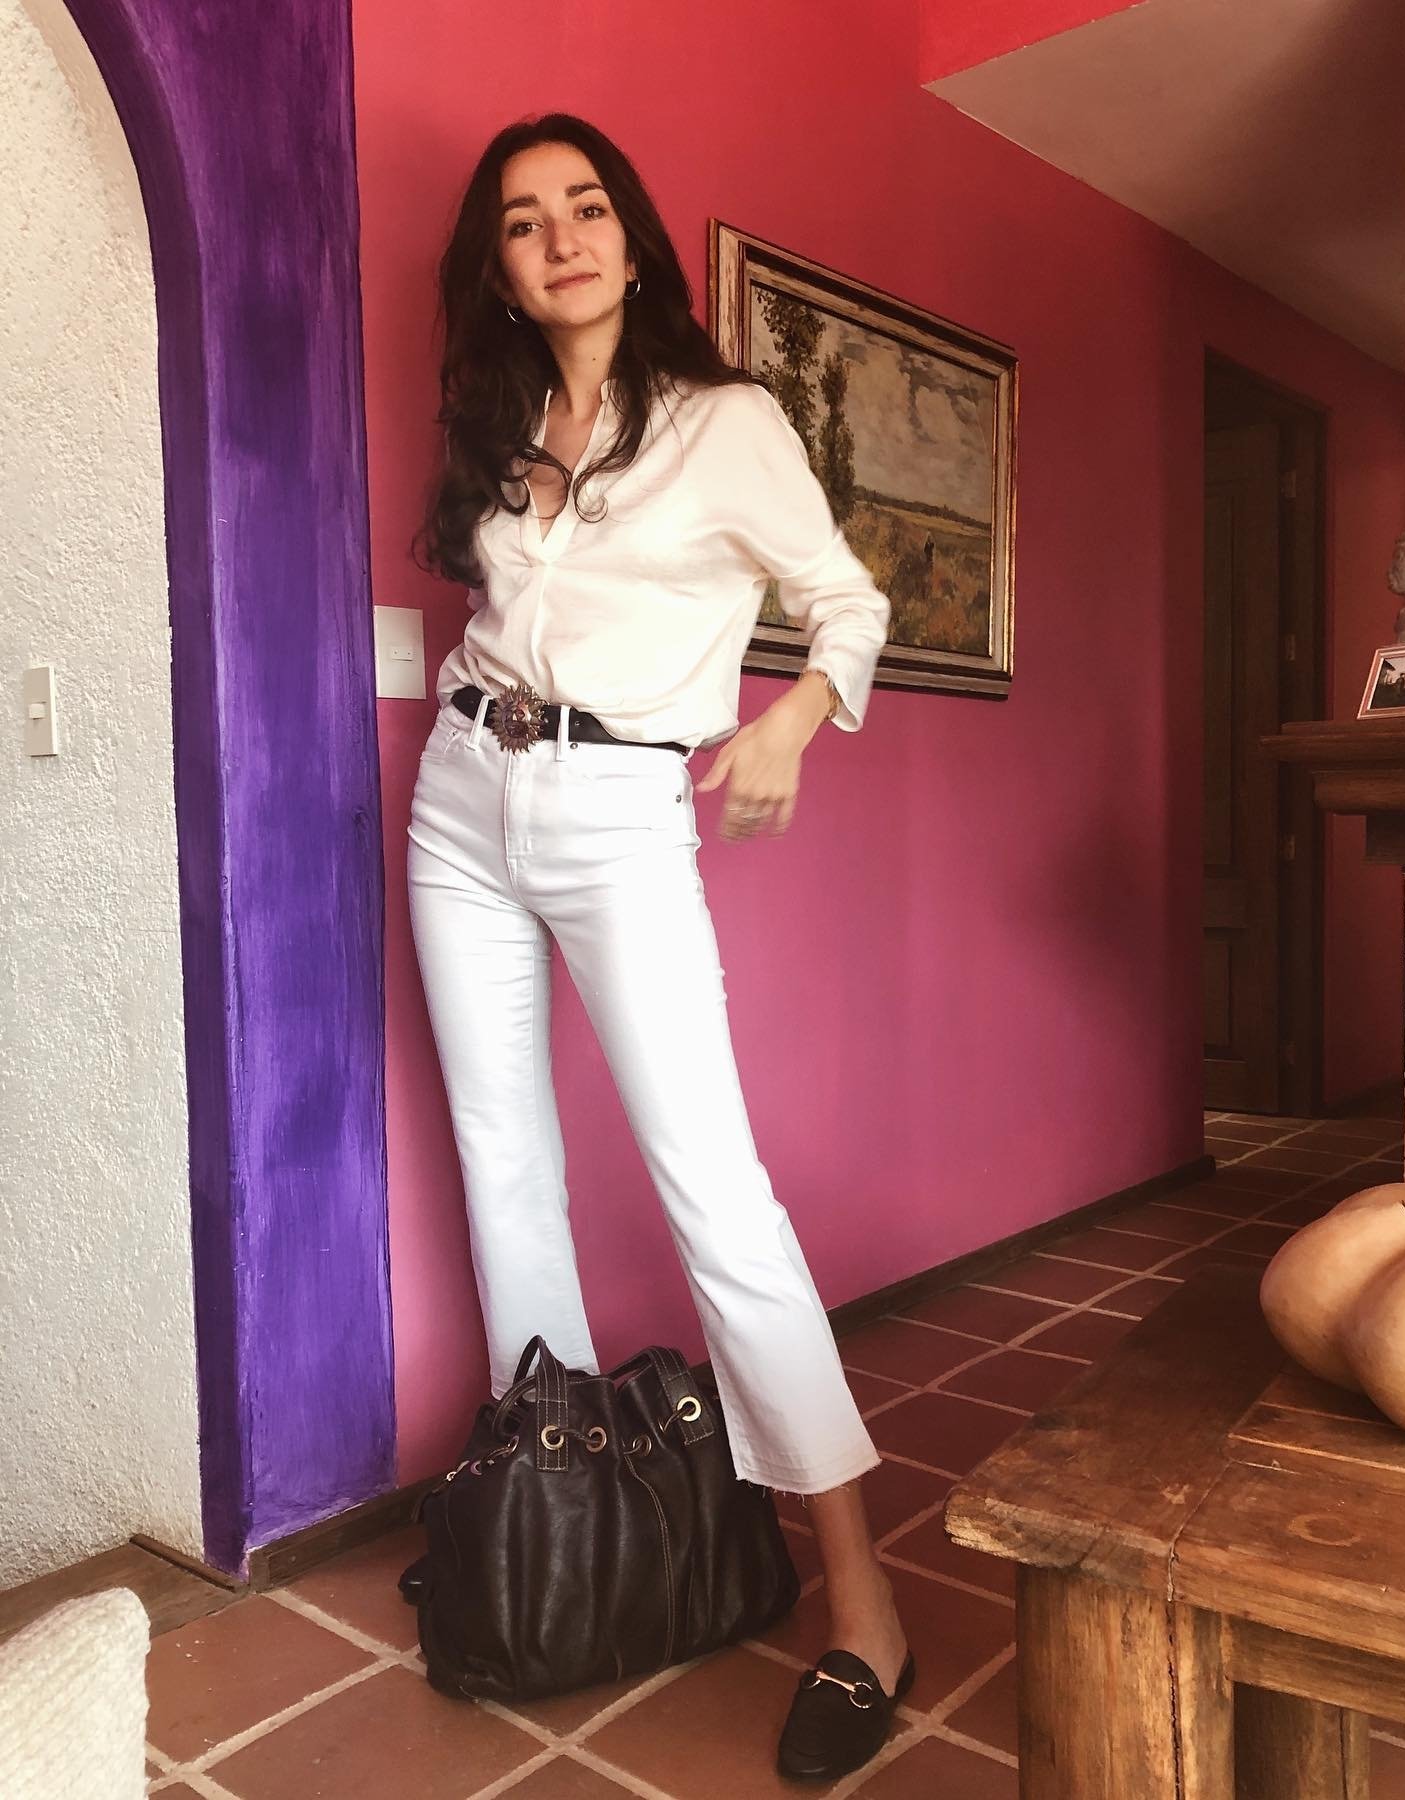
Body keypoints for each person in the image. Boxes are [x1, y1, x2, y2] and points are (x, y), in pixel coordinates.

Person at [405, 111, 909, 1780]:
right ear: (499, 265)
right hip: (461, 797)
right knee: (504, 1166)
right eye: (524, 219)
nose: (561, 237)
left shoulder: (723, 422)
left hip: (621, 810)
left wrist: (790, 724)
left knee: (717, 1198)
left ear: (632, 239)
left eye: (587, 207)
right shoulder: (501, 427)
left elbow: (850, 602)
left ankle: (865, 1609)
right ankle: (559, 1551)